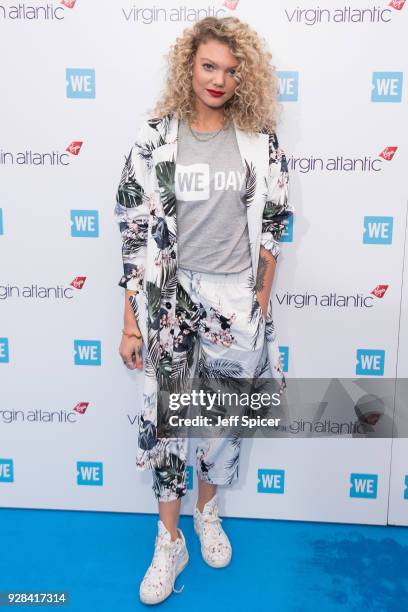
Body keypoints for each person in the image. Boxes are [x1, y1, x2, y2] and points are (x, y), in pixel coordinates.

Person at [114, 15, 294, 605]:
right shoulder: (153, 135)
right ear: (189, 66)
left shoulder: (259, 140)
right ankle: (169, 540)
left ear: (244, 76)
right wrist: (130, 317)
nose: (218, 78)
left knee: (219, 422)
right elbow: (134, 230)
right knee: (167, 423)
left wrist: (261, 296)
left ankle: (207, 513)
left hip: (234, 297)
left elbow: (272, 224)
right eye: (208, 65)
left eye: (230, 69)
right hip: (168, 294)